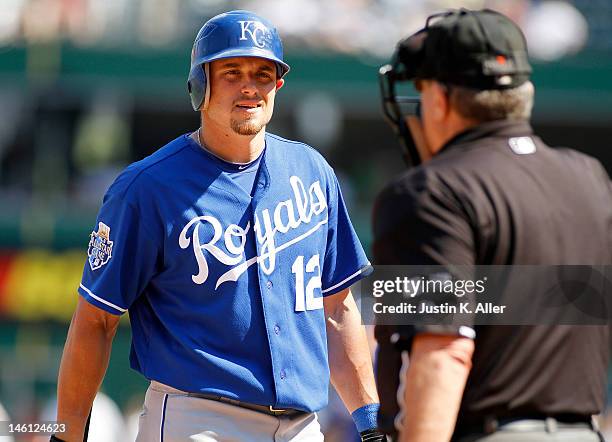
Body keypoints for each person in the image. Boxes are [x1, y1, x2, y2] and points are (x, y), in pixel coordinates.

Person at [53, 10, 386, 442]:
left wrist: (370, 420)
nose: (250, 86)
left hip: (303, 425)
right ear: (200, 84)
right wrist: (66, 435)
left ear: (277, 86)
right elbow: (96, 321)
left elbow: (339, 308)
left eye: (263, 73)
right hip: (199, 419)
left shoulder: (312, 171)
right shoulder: (147, 187)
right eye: (232, 71)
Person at [373, 8, 611, 442]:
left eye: (423, 89)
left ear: (440, 98)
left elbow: (442, 353)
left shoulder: (428, 191)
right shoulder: (592, 177)